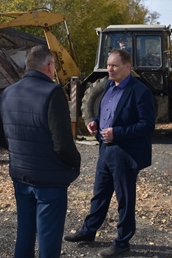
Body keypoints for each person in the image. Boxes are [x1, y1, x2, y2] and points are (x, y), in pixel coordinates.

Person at [0, 45, 81, 258]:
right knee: (48, 239)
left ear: (27, 66)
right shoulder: (52, 92)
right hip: (49, 180)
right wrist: (74, 163)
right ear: (49, 66)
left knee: (24, 232)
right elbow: (62, 143)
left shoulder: (8, 92)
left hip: (21, 176)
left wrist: (20, 152)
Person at [64, 48, 155, 257]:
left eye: (114, 65)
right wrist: (95, 123)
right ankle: (88, 231)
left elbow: (147, 125)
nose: (109, 69)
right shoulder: (107, 86)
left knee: (124, 198)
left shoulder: (139, 91)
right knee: (99, 194)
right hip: (105, 149)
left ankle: (123, 241)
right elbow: (104, 112)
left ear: (127, 67)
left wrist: (118, 133)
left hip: (125, 151)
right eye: (108, 65)